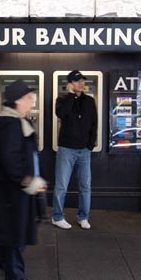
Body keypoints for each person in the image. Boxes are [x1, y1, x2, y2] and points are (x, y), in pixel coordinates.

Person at [0, 80, 46, 280]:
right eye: (28, 97)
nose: (31, 101)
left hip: (10, 190)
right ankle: (15, 275)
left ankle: (0, 257)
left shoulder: (12, 122)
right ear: (18, 100)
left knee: (13, 230)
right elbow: (9, 158)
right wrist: (27, 180)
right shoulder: (12, 125)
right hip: (14, 191)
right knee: (17, 233)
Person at [52, 70, 98, 230]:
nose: (82, 84)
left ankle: (83, 217)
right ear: (70, 83)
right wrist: (71, 96)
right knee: (61, 185)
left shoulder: (90, 101)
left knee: (85, 186)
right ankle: (57, 217)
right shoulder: (63, 99)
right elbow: (61, 113)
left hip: (84, 151)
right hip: (66, 149)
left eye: (83, 81)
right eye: (78, 81)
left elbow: (94, 124)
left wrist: (90, 145)